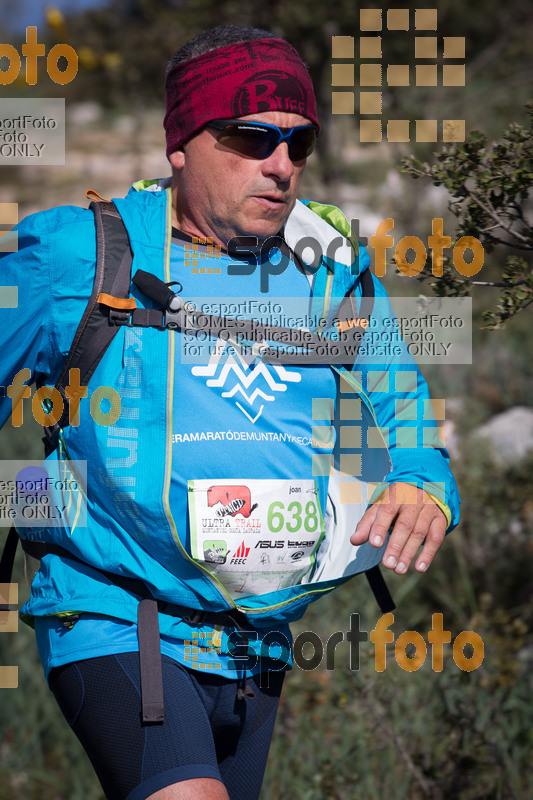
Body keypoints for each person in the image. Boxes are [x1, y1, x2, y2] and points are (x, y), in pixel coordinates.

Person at [0, 24, 460, 800]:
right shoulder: (83, 252)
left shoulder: (332, 265)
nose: (279, 166)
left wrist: (421, 477)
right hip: (114, 612)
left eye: (297, 143)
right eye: (249, 138)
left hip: (256, 646)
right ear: (181, 143)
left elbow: (402, 402)